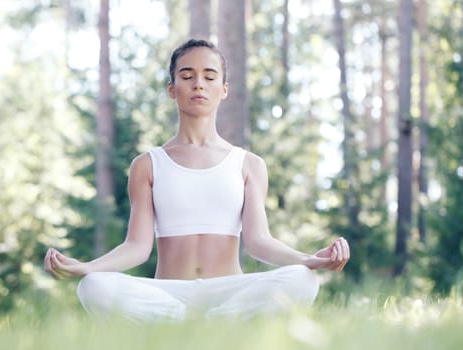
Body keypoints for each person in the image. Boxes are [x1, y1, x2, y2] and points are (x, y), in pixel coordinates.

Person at [44, 38, 350, 322]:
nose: (198, 84)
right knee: (93, 286)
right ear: (172, 88)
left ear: (224, 89)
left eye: (209, 76)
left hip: (230, 291)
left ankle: (203, 325)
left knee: (301, 279)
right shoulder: (148, 164)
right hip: (168, 293)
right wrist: (87, 267)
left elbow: (258, 243)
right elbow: (137, 247)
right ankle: (198, 325)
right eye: (187, 76)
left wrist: (310, 260)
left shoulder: (249, 164)